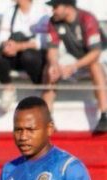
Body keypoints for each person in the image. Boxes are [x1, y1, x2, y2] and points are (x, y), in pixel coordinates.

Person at [41, 0, 107, 134]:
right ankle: (47, 119)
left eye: (56, 6)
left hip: (101, 57)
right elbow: (52, 49)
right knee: (50, 69)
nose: (53, 10)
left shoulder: (87, 18)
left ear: (68, 7)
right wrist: (54, 64)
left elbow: (95, 53)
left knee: (95, 66)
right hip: (76, 57)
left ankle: (105, 114)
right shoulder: (54, 21)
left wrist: (73, 67)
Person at [0, 0, 49, 115]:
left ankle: (39, 86)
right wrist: (7, 45)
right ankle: (8, 89)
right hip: (14, 52)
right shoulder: (10, 11)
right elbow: (2, 37)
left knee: (29, 57)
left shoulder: (42, 11)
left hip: (34, 54)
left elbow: (42, 41)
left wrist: (20, 46)